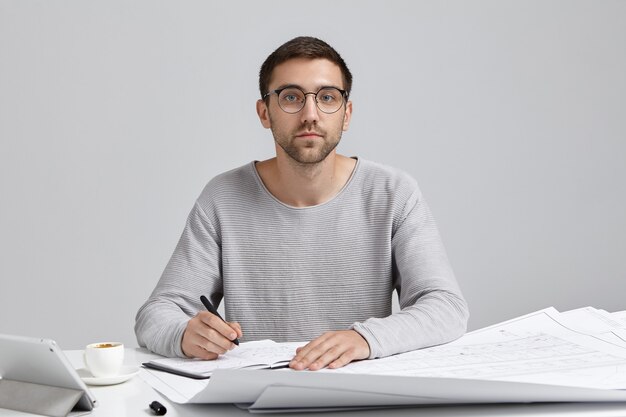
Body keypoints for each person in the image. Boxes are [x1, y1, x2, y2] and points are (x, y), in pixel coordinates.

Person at [135, 36, 469, 371]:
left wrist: (364, 339)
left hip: (362, 395)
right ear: (264, 112)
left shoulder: (394, 193)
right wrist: (184, 334)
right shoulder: (222, 197)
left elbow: (446, 307)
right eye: (291, 97)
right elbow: (155, 314)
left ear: (346, 113)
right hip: (256, 395)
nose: (310, 115)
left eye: (327, 97)